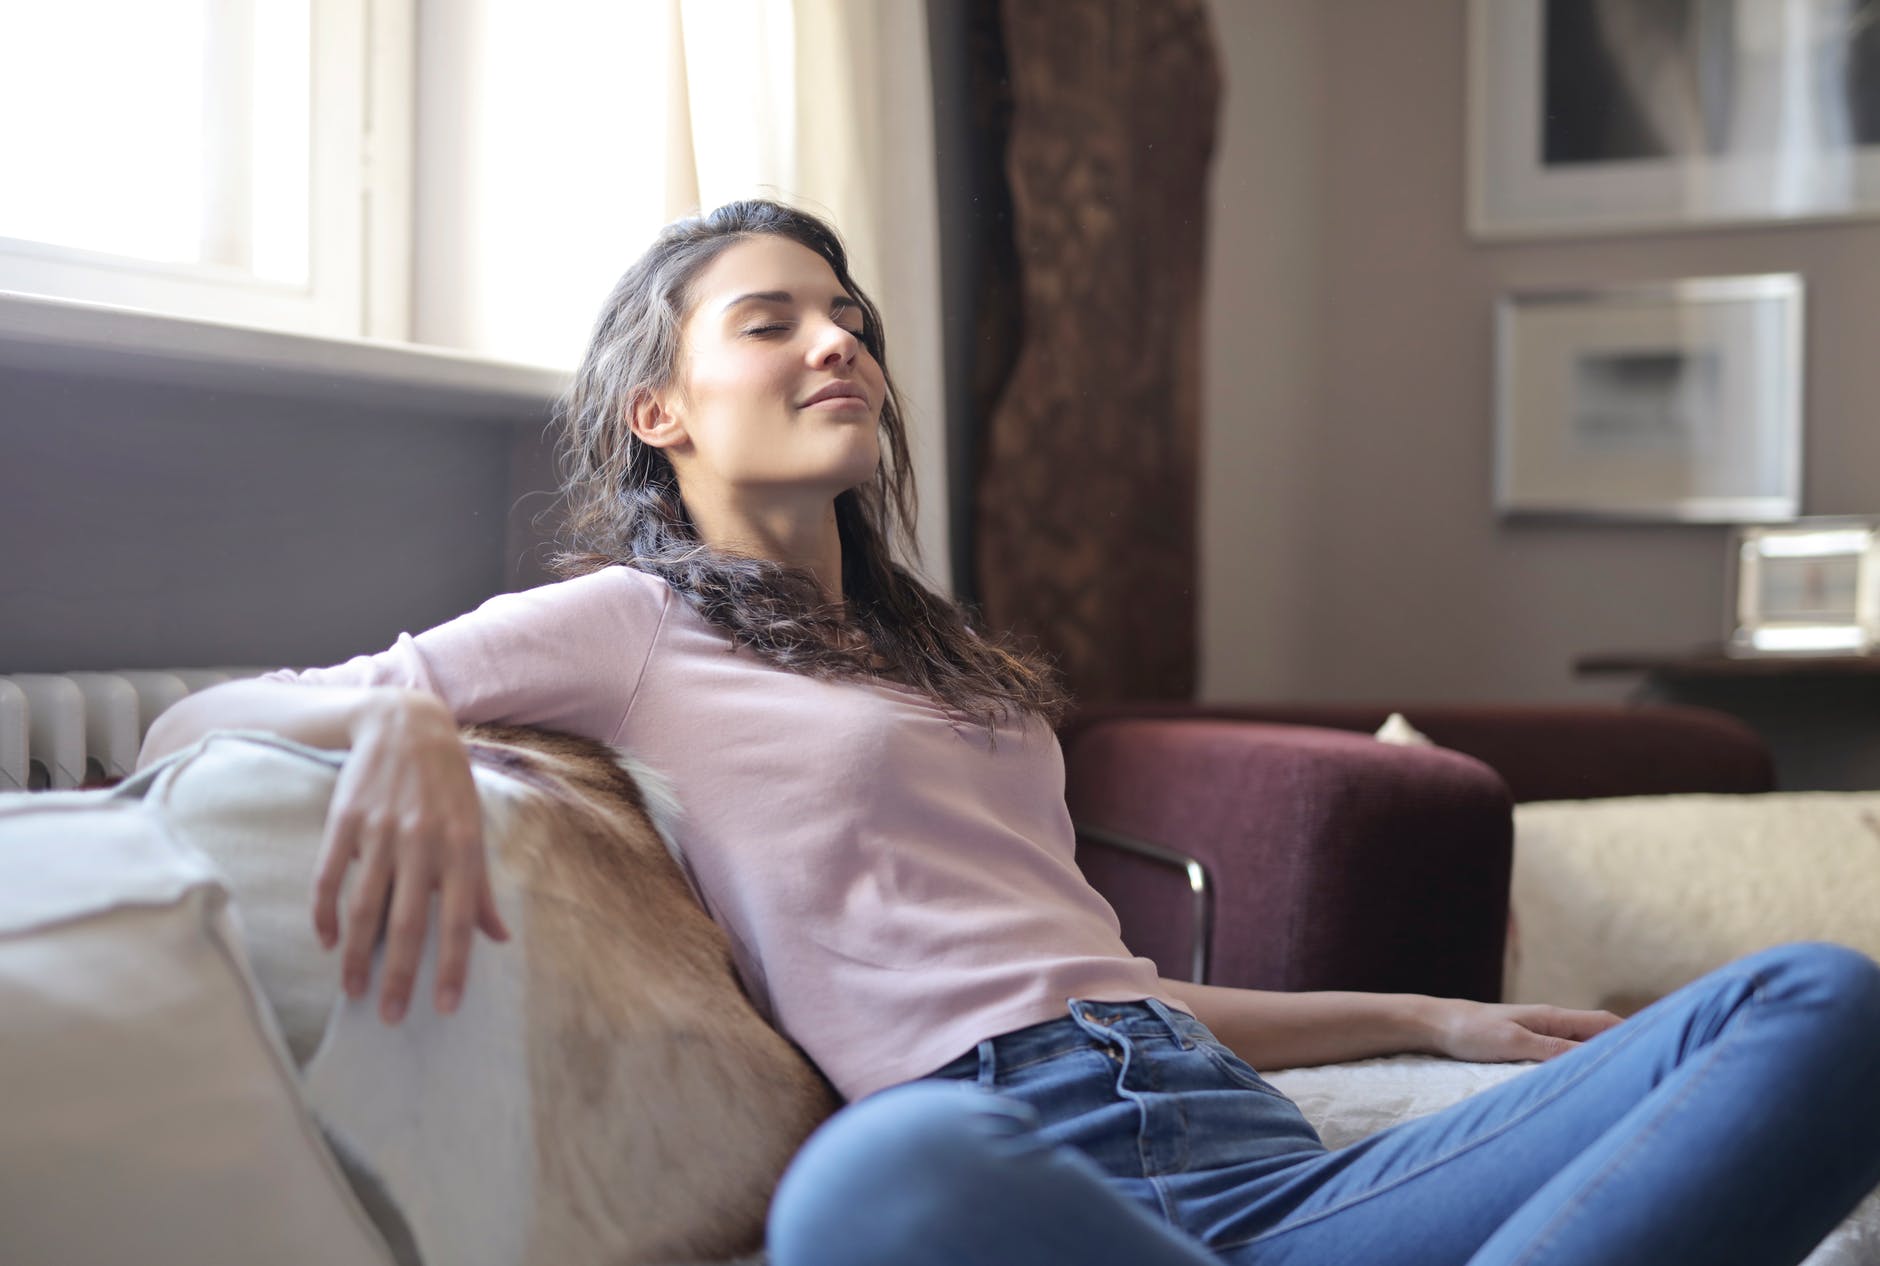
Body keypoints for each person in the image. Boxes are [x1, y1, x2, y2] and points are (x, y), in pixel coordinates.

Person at [140, 199, 1880, 1265]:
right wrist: (409, 723)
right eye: (776, 319)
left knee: (1820, 1000)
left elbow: (1101, 980)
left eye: (853, 321)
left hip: (1250, 1162)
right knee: (874, 1180)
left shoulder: (944, 663)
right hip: (1016, 1158)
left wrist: (1423, 1012)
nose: (840, 342)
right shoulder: (632, 621)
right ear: (660, 408)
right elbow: (197, 716)